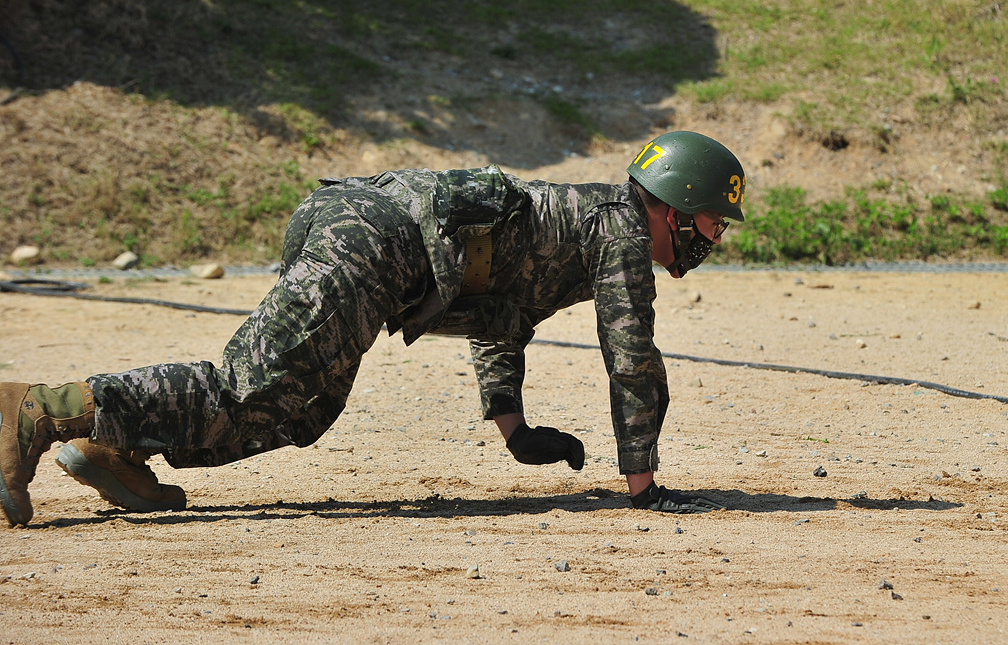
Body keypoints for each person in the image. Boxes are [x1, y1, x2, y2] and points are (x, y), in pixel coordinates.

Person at [0, 130, 745, 527]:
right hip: (374, 241)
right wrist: (642, 486)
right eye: (715, 219)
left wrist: (515, 429)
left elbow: (501, 315)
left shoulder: (585, 227)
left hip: (372, 242)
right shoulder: (617, 237)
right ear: (677, 206)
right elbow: (632, 358)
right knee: (249, 386)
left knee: (300, 412)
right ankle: (34, 407)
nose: (715, 235)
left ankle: (114, 443)